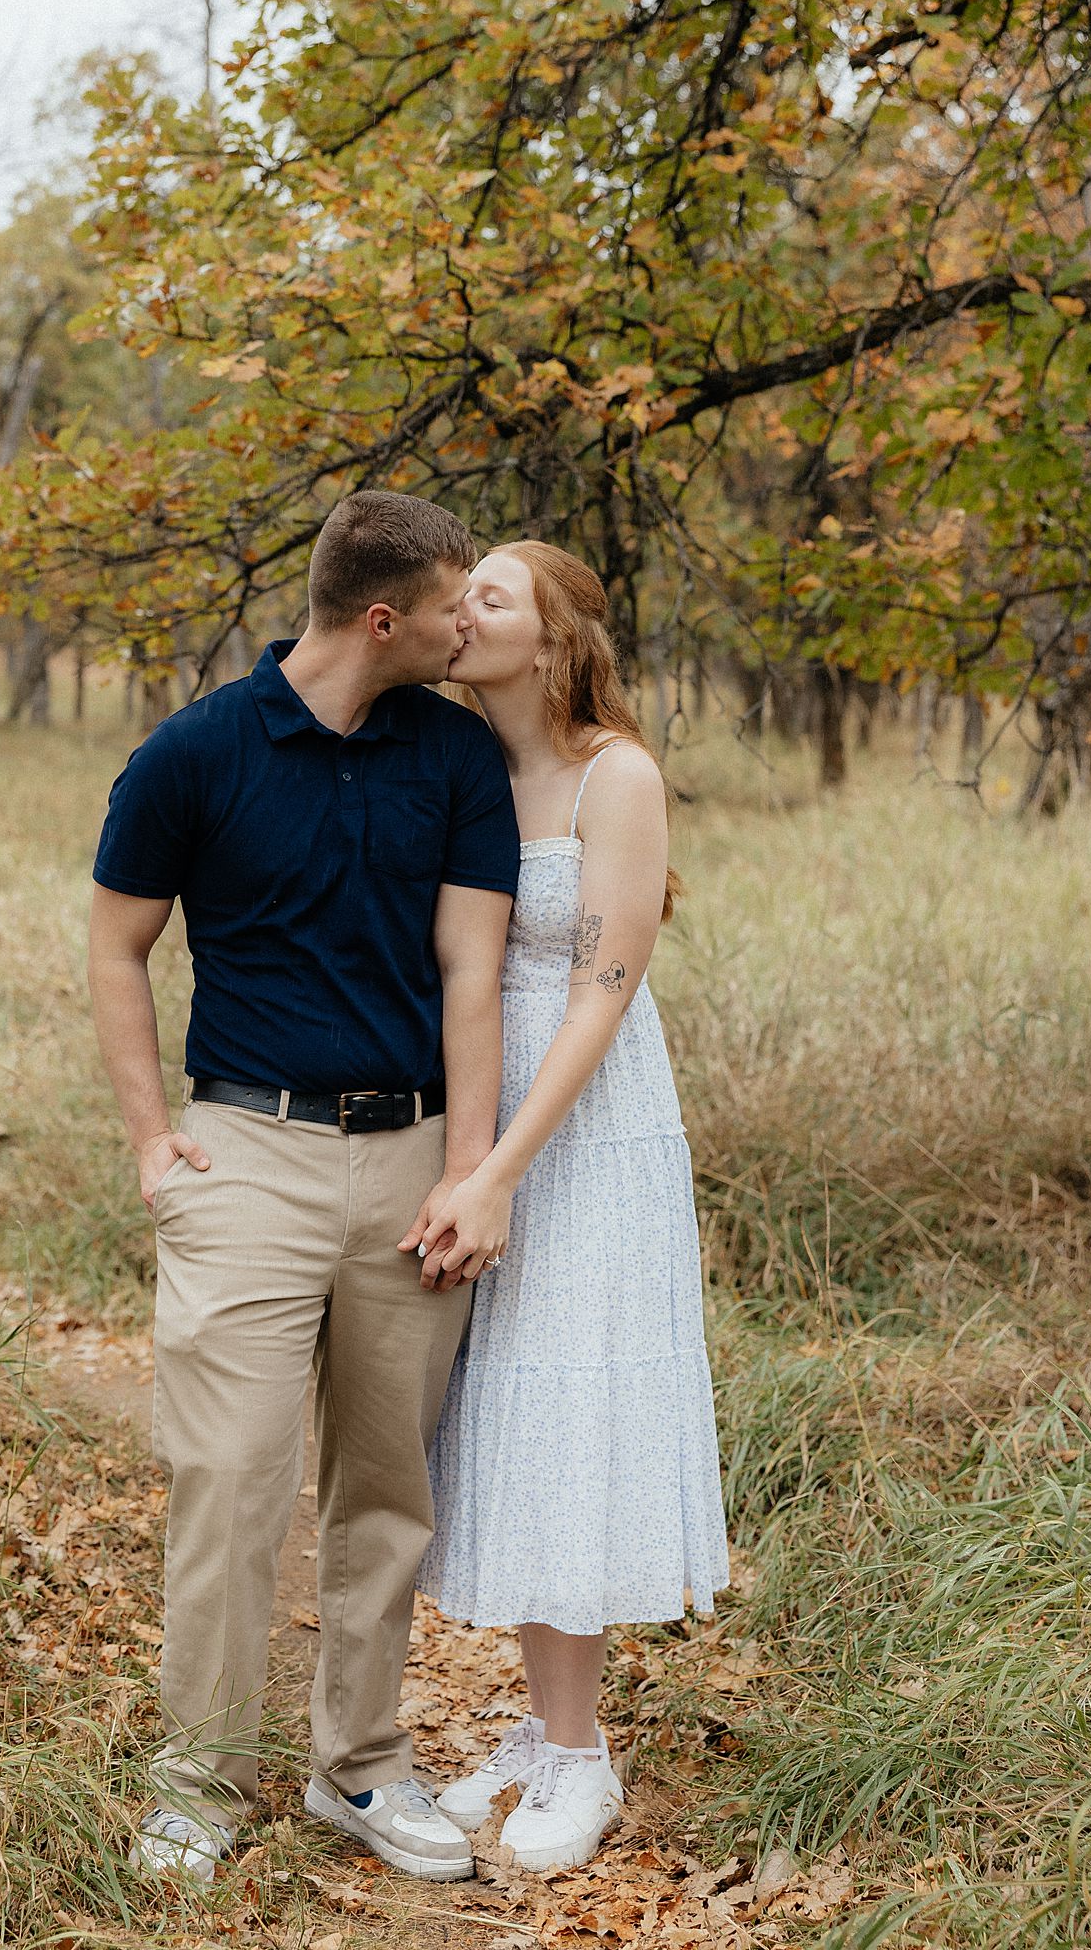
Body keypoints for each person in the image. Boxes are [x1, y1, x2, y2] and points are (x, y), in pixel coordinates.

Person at [87, 491, 520, 1885]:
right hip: (247, 1157)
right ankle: (197, 1784)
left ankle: (363, 1767)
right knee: (229, 1477)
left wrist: (471, 1169)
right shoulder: (195, 753)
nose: (474, 622)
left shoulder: (456, 757)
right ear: (385, 618)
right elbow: (117, 950)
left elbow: (472, 970)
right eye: (460, 602)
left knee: (385, 1486)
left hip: (413, 1164)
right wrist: (156, 1142)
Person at [403, 541, 730, 1875]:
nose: (456, 610)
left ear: (550, 641)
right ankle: (545, 1729)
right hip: (484, 1109)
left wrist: (498, 1169)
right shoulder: (472, 767)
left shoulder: (618, 774)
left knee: (574, 1398)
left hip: (583, 1122)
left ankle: (584, 1755)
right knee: (510, 1403)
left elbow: (601, 990)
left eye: (488, 595)